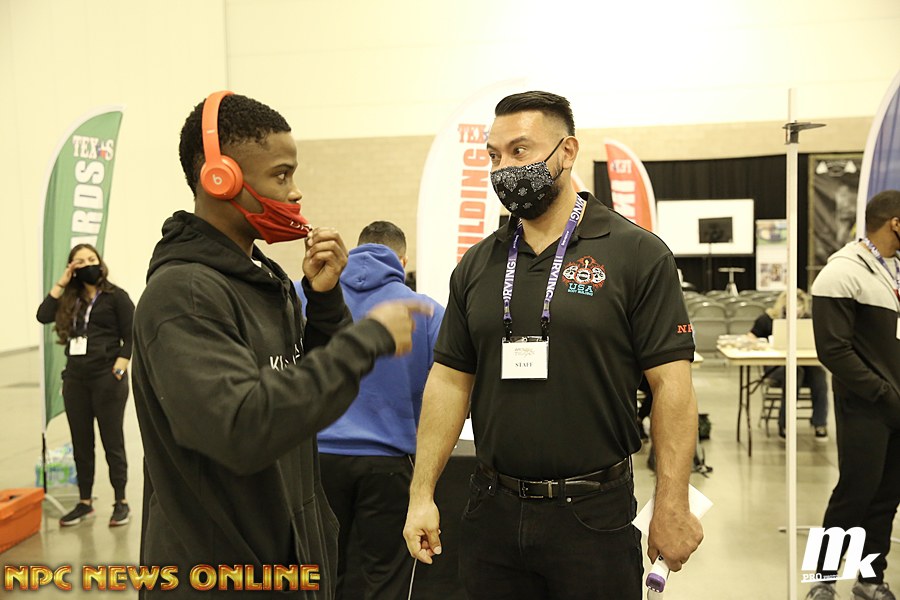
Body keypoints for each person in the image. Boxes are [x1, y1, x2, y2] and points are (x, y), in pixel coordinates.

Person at [402, 91, 703, 599]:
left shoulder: (636, 253)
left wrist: (673, 504)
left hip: (593, 515)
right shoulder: (478, 264)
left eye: (519, 150)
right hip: (491, 509)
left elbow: (672, 386)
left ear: (567, 152)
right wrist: (421, 493)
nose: (504, 168)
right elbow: (450, 381)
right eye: (494, 155)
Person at [131, 91, 428, 598]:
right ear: (220, 179)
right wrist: (368, 339)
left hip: (286, 554)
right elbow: (243, 427)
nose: (295, 193)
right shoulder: (185, 295)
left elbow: (302, 399)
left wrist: (325, 301)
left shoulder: (264, 281)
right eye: (281, 175)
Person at [313, 221, 444, 599]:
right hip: (390, 461)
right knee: (385, 578)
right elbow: (446, 388)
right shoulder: (426, 311)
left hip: (319, 458)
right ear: (402, 261)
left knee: (319, 571)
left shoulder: (313, 299)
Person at [805, 190, 900, 600]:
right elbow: (833, 350)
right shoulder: (841, 272)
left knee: (886, 497)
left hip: (896, 408)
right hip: (864, 406)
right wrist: (882, 392)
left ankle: (870, 578)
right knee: (854, 493)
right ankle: (821, 578)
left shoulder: (894, 269)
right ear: (895, 223)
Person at [36, 243, 134, 527]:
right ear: (73, 268)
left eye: (91, 258)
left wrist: (119, 369)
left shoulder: (116, 297)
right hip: (76, 380)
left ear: (100, 262)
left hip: (107, 378)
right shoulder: (70, 299)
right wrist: (62, 282)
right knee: (81, 443)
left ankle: (121, 501)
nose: (87, 264)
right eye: (79, 261)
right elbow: (43, 315)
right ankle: (85, 502)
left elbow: (131, 334)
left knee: (112, 442)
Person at [747, 289, 829, 441]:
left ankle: (820, 423)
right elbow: (750, 338)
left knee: (819, 374)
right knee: (795, 373)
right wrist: (764, 344)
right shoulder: (767, 319)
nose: (797, 310)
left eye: (800, 307)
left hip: (804, 365)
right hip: (775, 368)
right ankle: (785, 423)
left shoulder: (807, 320)